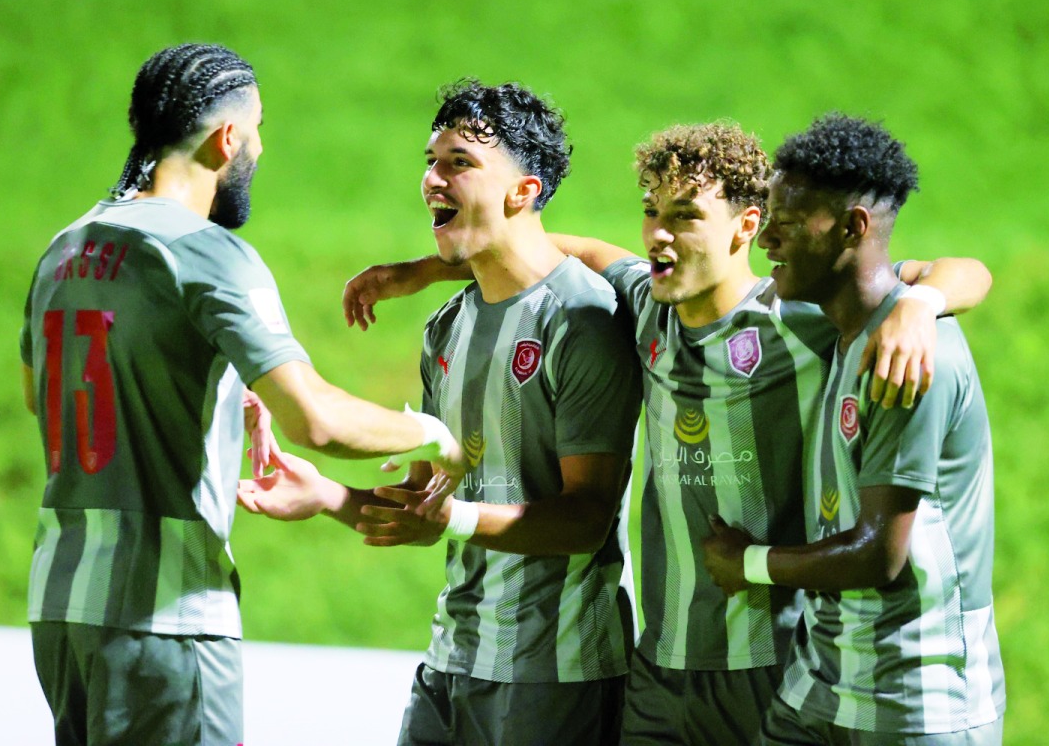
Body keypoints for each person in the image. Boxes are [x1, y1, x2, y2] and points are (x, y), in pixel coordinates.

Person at [339, 121, 992, 744]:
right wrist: (423, 270)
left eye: (685, 215)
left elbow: (962, 271)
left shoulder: (799, 317)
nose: (659, 233)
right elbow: (550, 248)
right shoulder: (648, 304)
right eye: (652, 211)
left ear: (747, 226)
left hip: (770, 657)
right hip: (659, 661)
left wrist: (922, 303)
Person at [18, 43, 462, 746]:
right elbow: (316, 420)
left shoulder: (66, 246)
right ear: (227, 139)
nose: (259, 147)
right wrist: (433, 434)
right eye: (256, 130)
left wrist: (213, 390)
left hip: (61, 608)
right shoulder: (205, 251)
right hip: (166, 617)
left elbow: (47, 397)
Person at [240, 79, 642, 745]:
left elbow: (586, 519)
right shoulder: (446, 328)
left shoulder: (583, 319)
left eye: (459, 162)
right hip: (451, 661)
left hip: (554, 673)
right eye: (430, 161)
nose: (432, 179)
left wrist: (450, 516)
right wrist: (326, 495)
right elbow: (428, 509)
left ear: (523, 191)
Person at [703, 113, 1005, 744]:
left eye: (787, 224)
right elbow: (960, 271)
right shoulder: (851, 324)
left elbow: (879, 554)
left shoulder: (910, 356)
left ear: (852, 227)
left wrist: (746, 564)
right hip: (823, 682)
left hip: (915, 700)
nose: (767, 240)